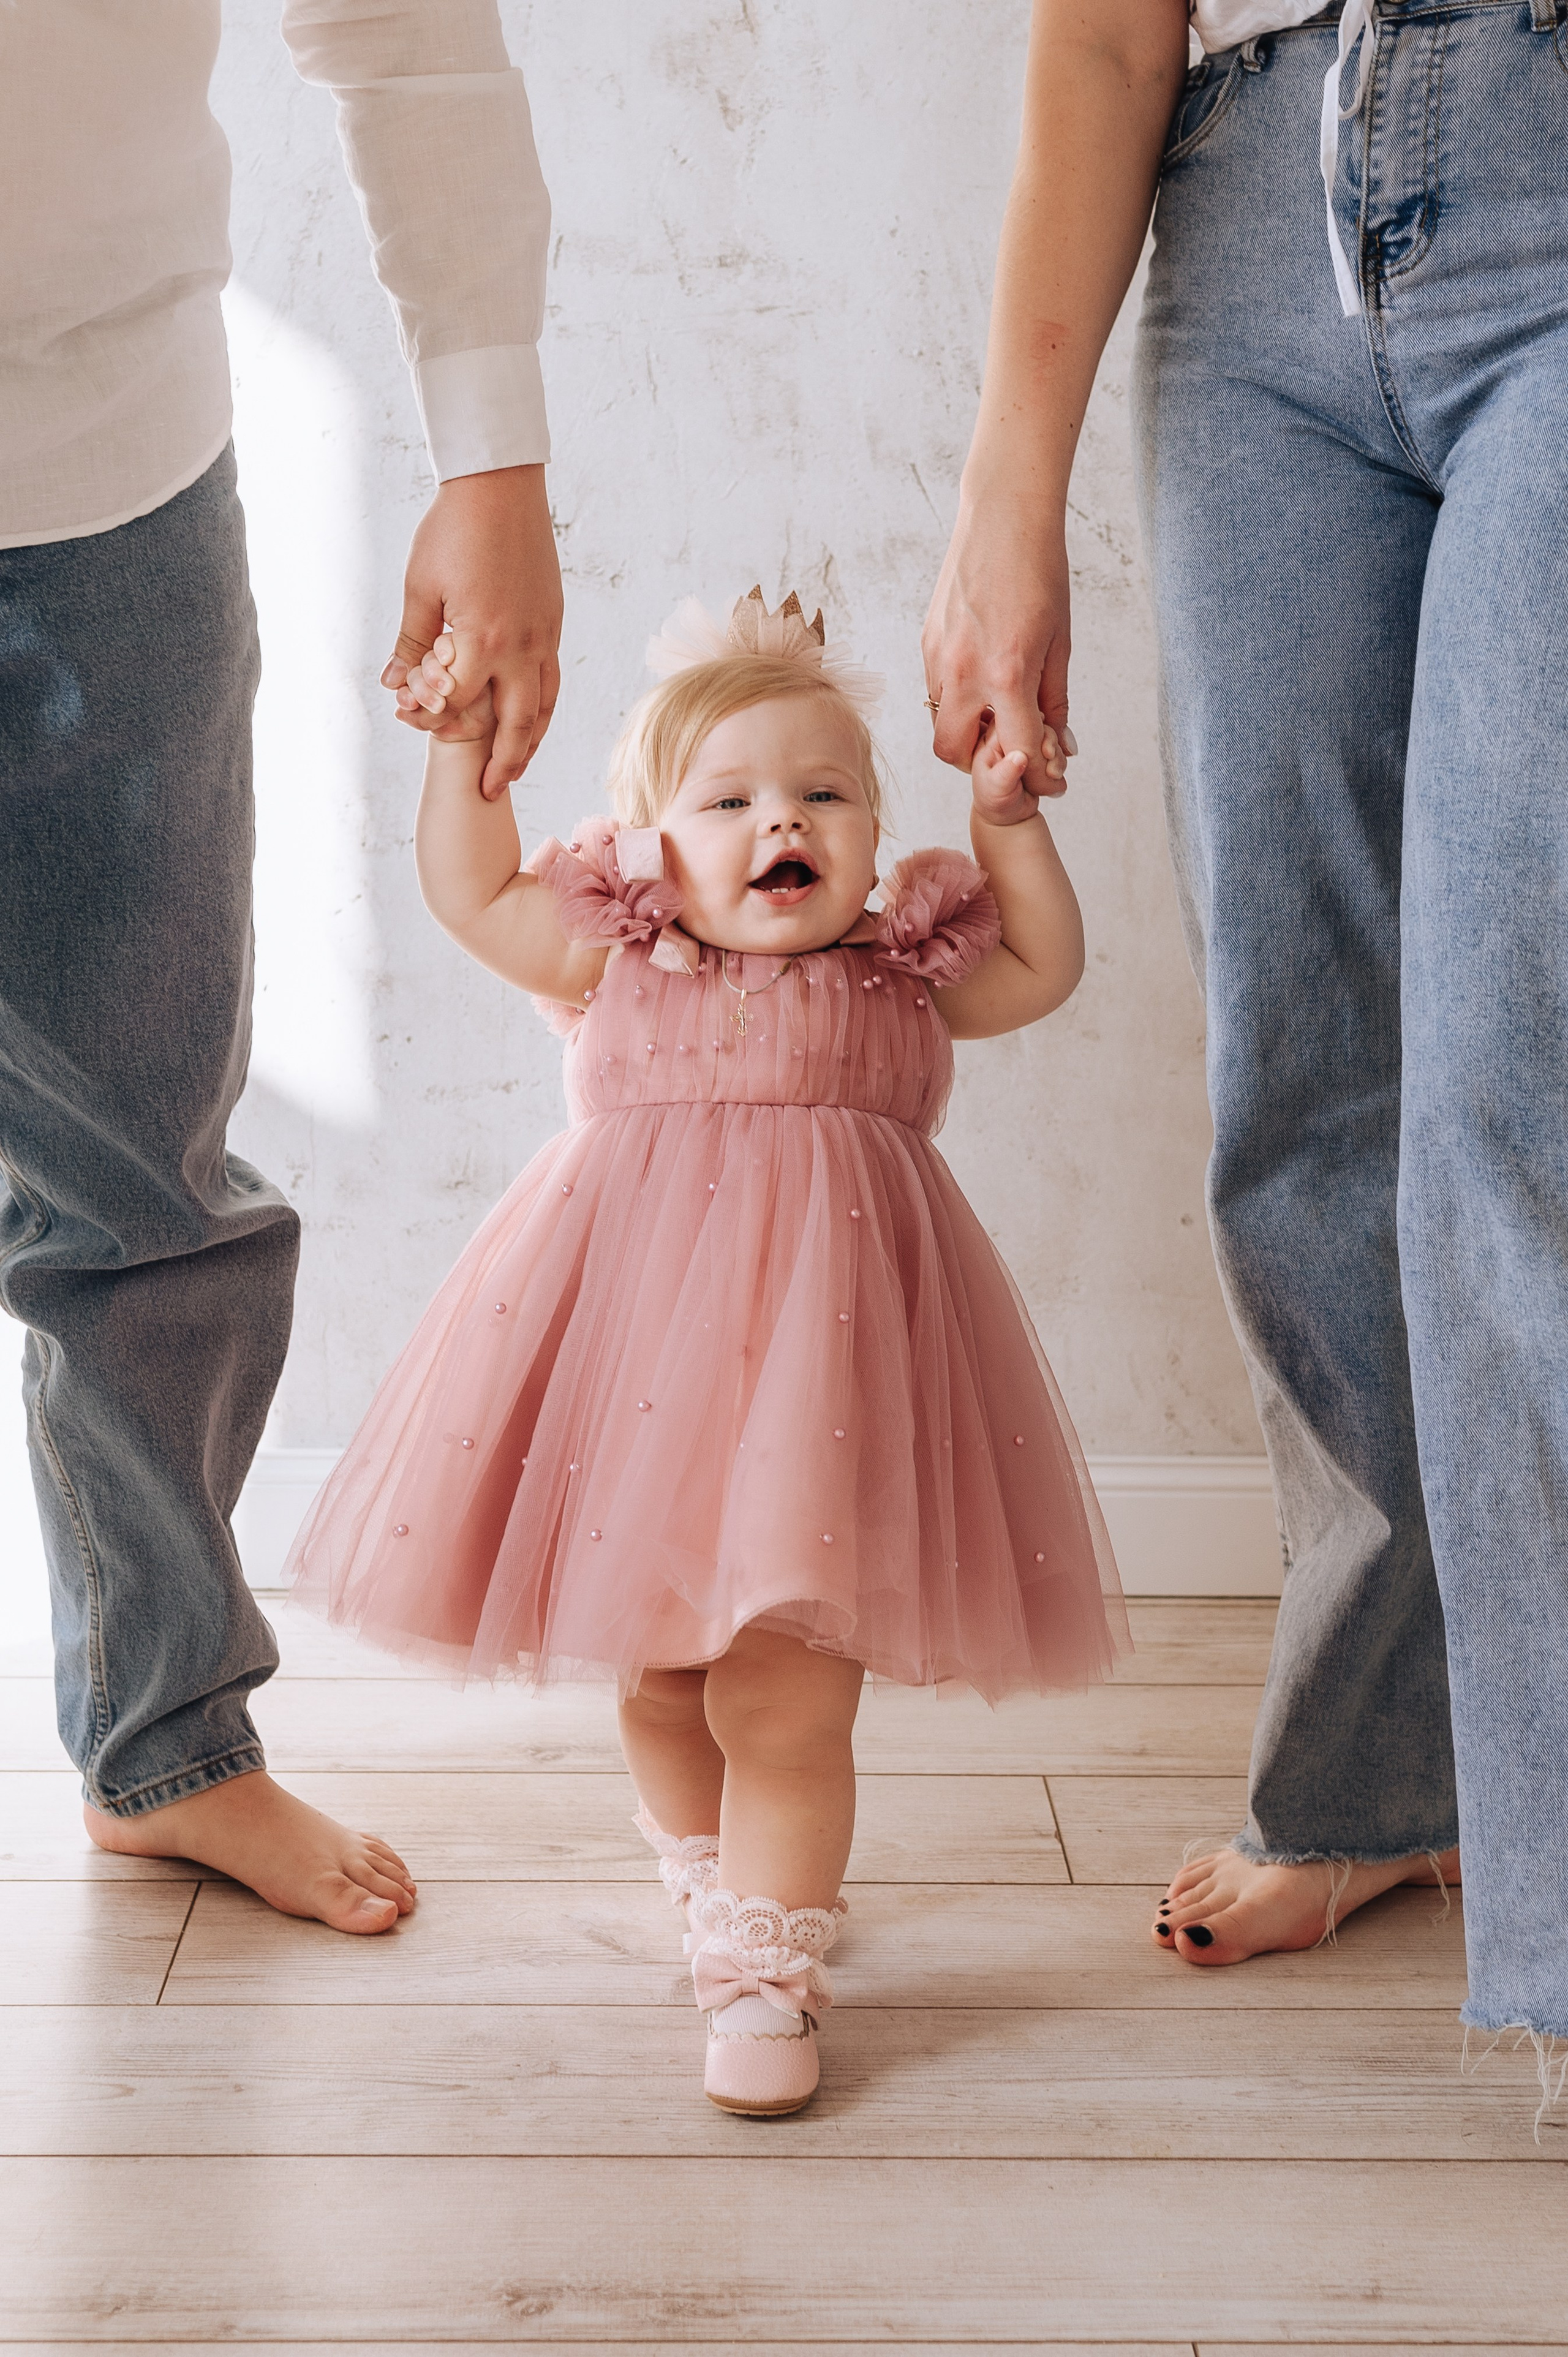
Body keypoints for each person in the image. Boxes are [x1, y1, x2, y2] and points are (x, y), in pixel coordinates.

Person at [922, 0, 1568, 2061]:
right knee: (1303, 1082)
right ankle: (1394, 1772)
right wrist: (1005, 501)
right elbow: (1110, 27)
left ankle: (1556, 1943)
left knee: (1515, 1101)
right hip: (1252, 203)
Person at [285, 586, 1128, 2111]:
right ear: (648, 851)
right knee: (664, 1683)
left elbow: (1046, 969)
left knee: (785, 1695)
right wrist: (463, 748)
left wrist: (1007, 822)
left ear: (875, 840)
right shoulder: (619, 959)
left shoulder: (901, 975)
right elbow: (471, 893)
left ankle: (764, 1967)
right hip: (641, 1384)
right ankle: (710, 1880)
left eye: (822, 794)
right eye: (726, 799)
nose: (777, 823)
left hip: (834, 1394)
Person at [0, 0, 562, 1933]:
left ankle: (165, 1745)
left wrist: (493, 457)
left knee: (143, 1182)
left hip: (113, 484)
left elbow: (409, 40)